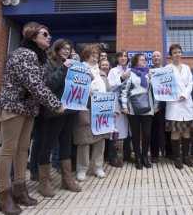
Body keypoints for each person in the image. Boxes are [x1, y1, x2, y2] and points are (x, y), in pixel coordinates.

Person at [0, 23, 64, 214]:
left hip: (29, 109)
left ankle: (19, 188)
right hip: (14, 106)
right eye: (45, 34)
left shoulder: (39, 58)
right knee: (9, 148)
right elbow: (34, 84)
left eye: (49, 34)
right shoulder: (24, 54)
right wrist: (55, 104)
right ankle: (4, 194)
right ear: (33, 37)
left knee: (23, 149)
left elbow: (43, 83)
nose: (49, 37)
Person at [37, 39, 82, 197]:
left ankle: (67, 179)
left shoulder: (70, 64)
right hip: (54, 110)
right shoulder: (49, 64)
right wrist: (64, 67)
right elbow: (49, 85)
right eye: (63, 48)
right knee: (47, 145)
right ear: (56, 49)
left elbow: (78, 84)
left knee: (66, 144)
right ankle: (43, 183)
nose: (66, 51)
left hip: (70, 109)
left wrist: (86, 75)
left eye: (69, 49)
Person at [75, 45, 112, 181]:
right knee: (84, 140)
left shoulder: (102, 73)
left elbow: (109, 90)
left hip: (101, 109)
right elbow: (75, 88)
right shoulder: (80, 70)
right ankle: (82, 169)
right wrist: (86, 90)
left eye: (97, 56)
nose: (95, 59)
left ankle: (97, 167)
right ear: (86, 56)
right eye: (92, 56)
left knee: (100, 139)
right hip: (86, 108)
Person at [120, 53, 157, 169]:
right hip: (132, 109)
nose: (144, 61)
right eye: (141, 60)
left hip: (148, 108)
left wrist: (156, 105)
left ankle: (145, 156)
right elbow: (124, 90)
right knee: (135, 134)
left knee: (147, 133)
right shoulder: (130, 73)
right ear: (135, 62)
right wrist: (124, 107)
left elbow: (156, 90)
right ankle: (137, 158)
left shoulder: (150, 73)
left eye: (145, 60)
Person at [165, 44, 193, 169]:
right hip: (173, 103)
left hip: (186, 102)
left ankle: (186, 157)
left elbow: (190, 83)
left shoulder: (187, 68)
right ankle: (177, 158)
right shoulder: (167, 68)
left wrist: (184, 94)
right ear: (171, 55)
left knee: (186, 131)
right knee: (175, 131)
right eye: (174, 52)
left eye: (179, 52)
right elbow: (164, 85)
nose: (177, 54)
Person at [108, 50, 133, 164]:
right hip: (117, 103)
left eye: (125, 56)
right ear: (117, 58)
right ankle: (114, 156)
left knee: (128, 128)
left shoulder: (130, 70)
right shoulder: (113, 71)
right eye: (121, 56)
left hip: (129, 103)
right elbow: (111, 86)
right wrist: (122, 78)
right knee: (116, 129)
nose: (123, 58)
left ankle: (127, 154)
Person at [149, 51, 171, 162]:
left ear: (162, 58)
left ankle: (169, 153)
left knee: (168, 130)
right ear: (152, 59)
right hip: (154, 106)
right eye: (154, 56)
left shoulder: (168, 71)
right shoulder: (149, 71)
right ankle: (154, 155)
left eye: (158, 56)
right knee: (154, 131)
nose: (156, 58)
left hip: (167, 105)